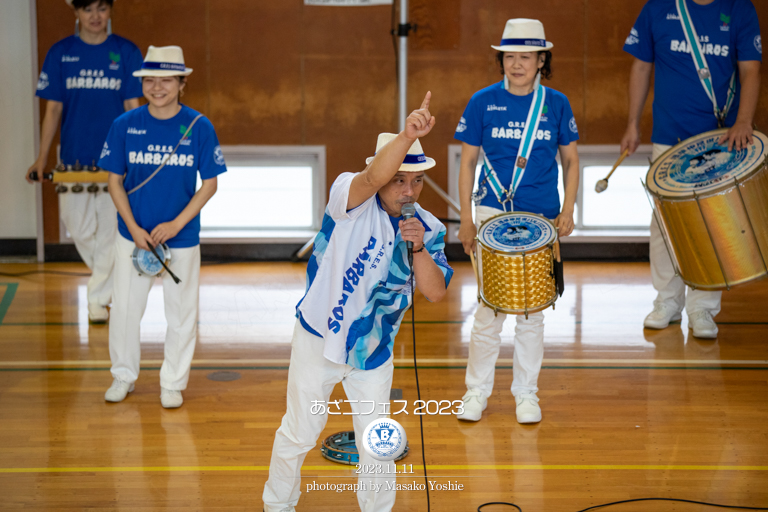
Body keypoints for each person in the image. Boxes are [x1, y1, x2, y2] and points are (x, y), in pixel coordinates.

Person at [262, 93, 453, 512]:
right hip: (319, 337)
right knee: (300, 431)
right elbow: (370, 178)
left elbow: (436, 292)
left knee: (377, 442)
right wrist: (408, 134)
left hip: (373, 350)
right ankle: (278, 504)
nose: (408, 190)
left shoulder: (428, 227)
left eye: (416, 181)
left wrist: (419, 248)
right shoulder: (348, 195)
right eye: (398, 179)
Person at [453, 19, 580, 424]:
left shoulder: (556, 104)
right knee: (489, 310)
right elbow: (467, 162)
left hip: (540, 219)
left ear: (542, 59)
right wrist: (466, 219)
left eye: (526, 56)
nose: (517, 64)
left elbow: (572, 161)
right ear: (501, 59)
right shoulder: (482, 101)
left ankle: (527, 395)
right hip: (491, 215)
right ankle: (476, 393)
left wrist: (569, 209)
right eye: (510, 56)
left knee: (531, 312)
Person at [620, 0, 762, 339]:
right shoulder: (658, 8)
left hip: (720, 138)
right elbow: (640, 67)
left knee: (714, 222)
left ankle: (703, 309)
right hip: (669, 137)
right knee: (664, 224)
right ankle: (667, 302)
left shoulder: (740, 8)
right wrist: (632, 124)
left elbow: (751, 70)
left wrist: (744, 121)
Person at [97, 45, 227, 408]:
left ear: (181, 83)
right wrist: (133, 228)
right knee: (124, 310)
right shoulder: (125, 124)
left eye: (166, 80)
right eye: (150, 80)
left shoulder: (199, 127)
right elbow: (114, 181)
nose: (157, 87)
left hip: (181, 239)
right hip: (133, 238)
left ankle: (173, 382)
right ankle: (123, 375)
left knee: (182, 313)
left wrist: (175, 224)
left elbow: (211, 184)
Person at [26, 0, 143, 323]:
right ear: (75, 12)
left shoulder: (126, 51)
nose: (95, 17)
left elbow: (133, 107)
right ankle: (111, 285)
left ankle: (97, 303)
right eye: (87, 9)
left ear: (110, 12)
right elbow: (52, 111)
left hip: (115, 159)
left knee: (109, 230)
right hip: (73, 158)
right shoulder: (60, 53)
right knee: (76, 227)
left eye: (102, 9)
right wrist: (41, 158)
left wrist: (135, 155)